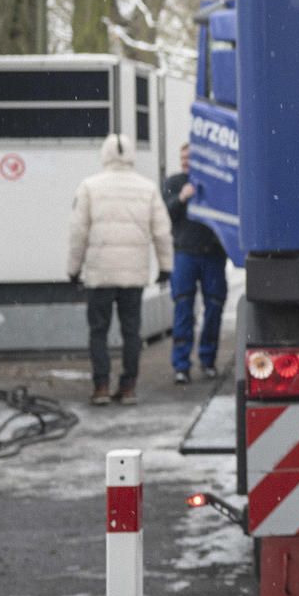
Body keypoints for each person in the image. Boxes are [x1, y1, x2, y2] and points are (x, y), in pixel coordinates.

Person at [68, 134, 172, 406]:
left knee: (98, 331)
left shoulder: (89, 187)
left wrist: (73, 269)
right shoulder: (147, 188)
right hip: (133, 275)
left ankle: (101, 386)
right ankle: (128, 387)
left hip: (99, 274)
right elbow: (162, 232)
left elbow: (78, 232)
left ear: (105, 155)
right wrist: (165, 267)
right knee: (131, 331)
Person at [163, 143, 229, 383]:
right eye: (182, 158)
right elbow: (165, 215)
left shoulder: (216, 181)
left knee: (214, 307)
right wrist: (182, 197)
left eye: (189, 158)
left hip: (213, 254)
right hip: (184, 254)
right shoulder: (173, 183)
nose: (185, 163)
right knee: (183, 308)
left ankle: (208, 360)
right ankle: (181, 365)